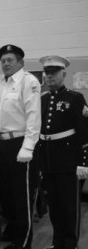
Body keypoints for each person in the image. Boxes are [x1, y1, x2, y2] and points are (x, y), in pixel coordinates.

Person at [0, 44, 41, 249]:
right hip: (3, 144)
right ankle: (12, 229)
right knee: (6, 193)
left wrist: (28, 146)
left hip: (21, 144)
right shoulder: (1, 85)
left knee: (22, 195)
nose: (5, 64)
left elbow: (33, 115)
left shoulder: (28, 81)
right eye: (3, 60)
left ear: (21, 62)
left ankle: (23, 240)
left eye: (10, 60)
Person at [38, 55, 88, 249]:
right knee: (55, 207)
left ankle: (70, 244)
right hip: (49, 161)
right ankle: (57, 242)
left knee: (70, 208)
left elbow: (84, 133)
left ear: (63, 74)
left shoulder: (75, 99)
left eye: (53, 73)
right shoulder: (42, 100)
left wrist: (83, 162)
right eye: (46, 73)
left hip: (69, 162)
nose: (49, 77)